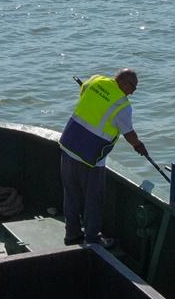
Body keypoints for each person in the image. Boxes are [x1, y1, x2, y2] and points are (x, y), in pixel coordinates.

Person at [59, 69, 149, 246]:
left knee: (71, 195)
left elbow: (84, 90)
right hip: (91, 158)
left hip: (69, 146)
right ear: (122, 81)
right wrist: (139, 146)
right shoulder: (123, 106)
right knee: (94, 199)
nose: (133, 91)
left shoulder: (95, 80)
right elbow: (128, 133)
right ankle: (93, 239)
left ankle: (72, 235)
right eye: (132, 86)